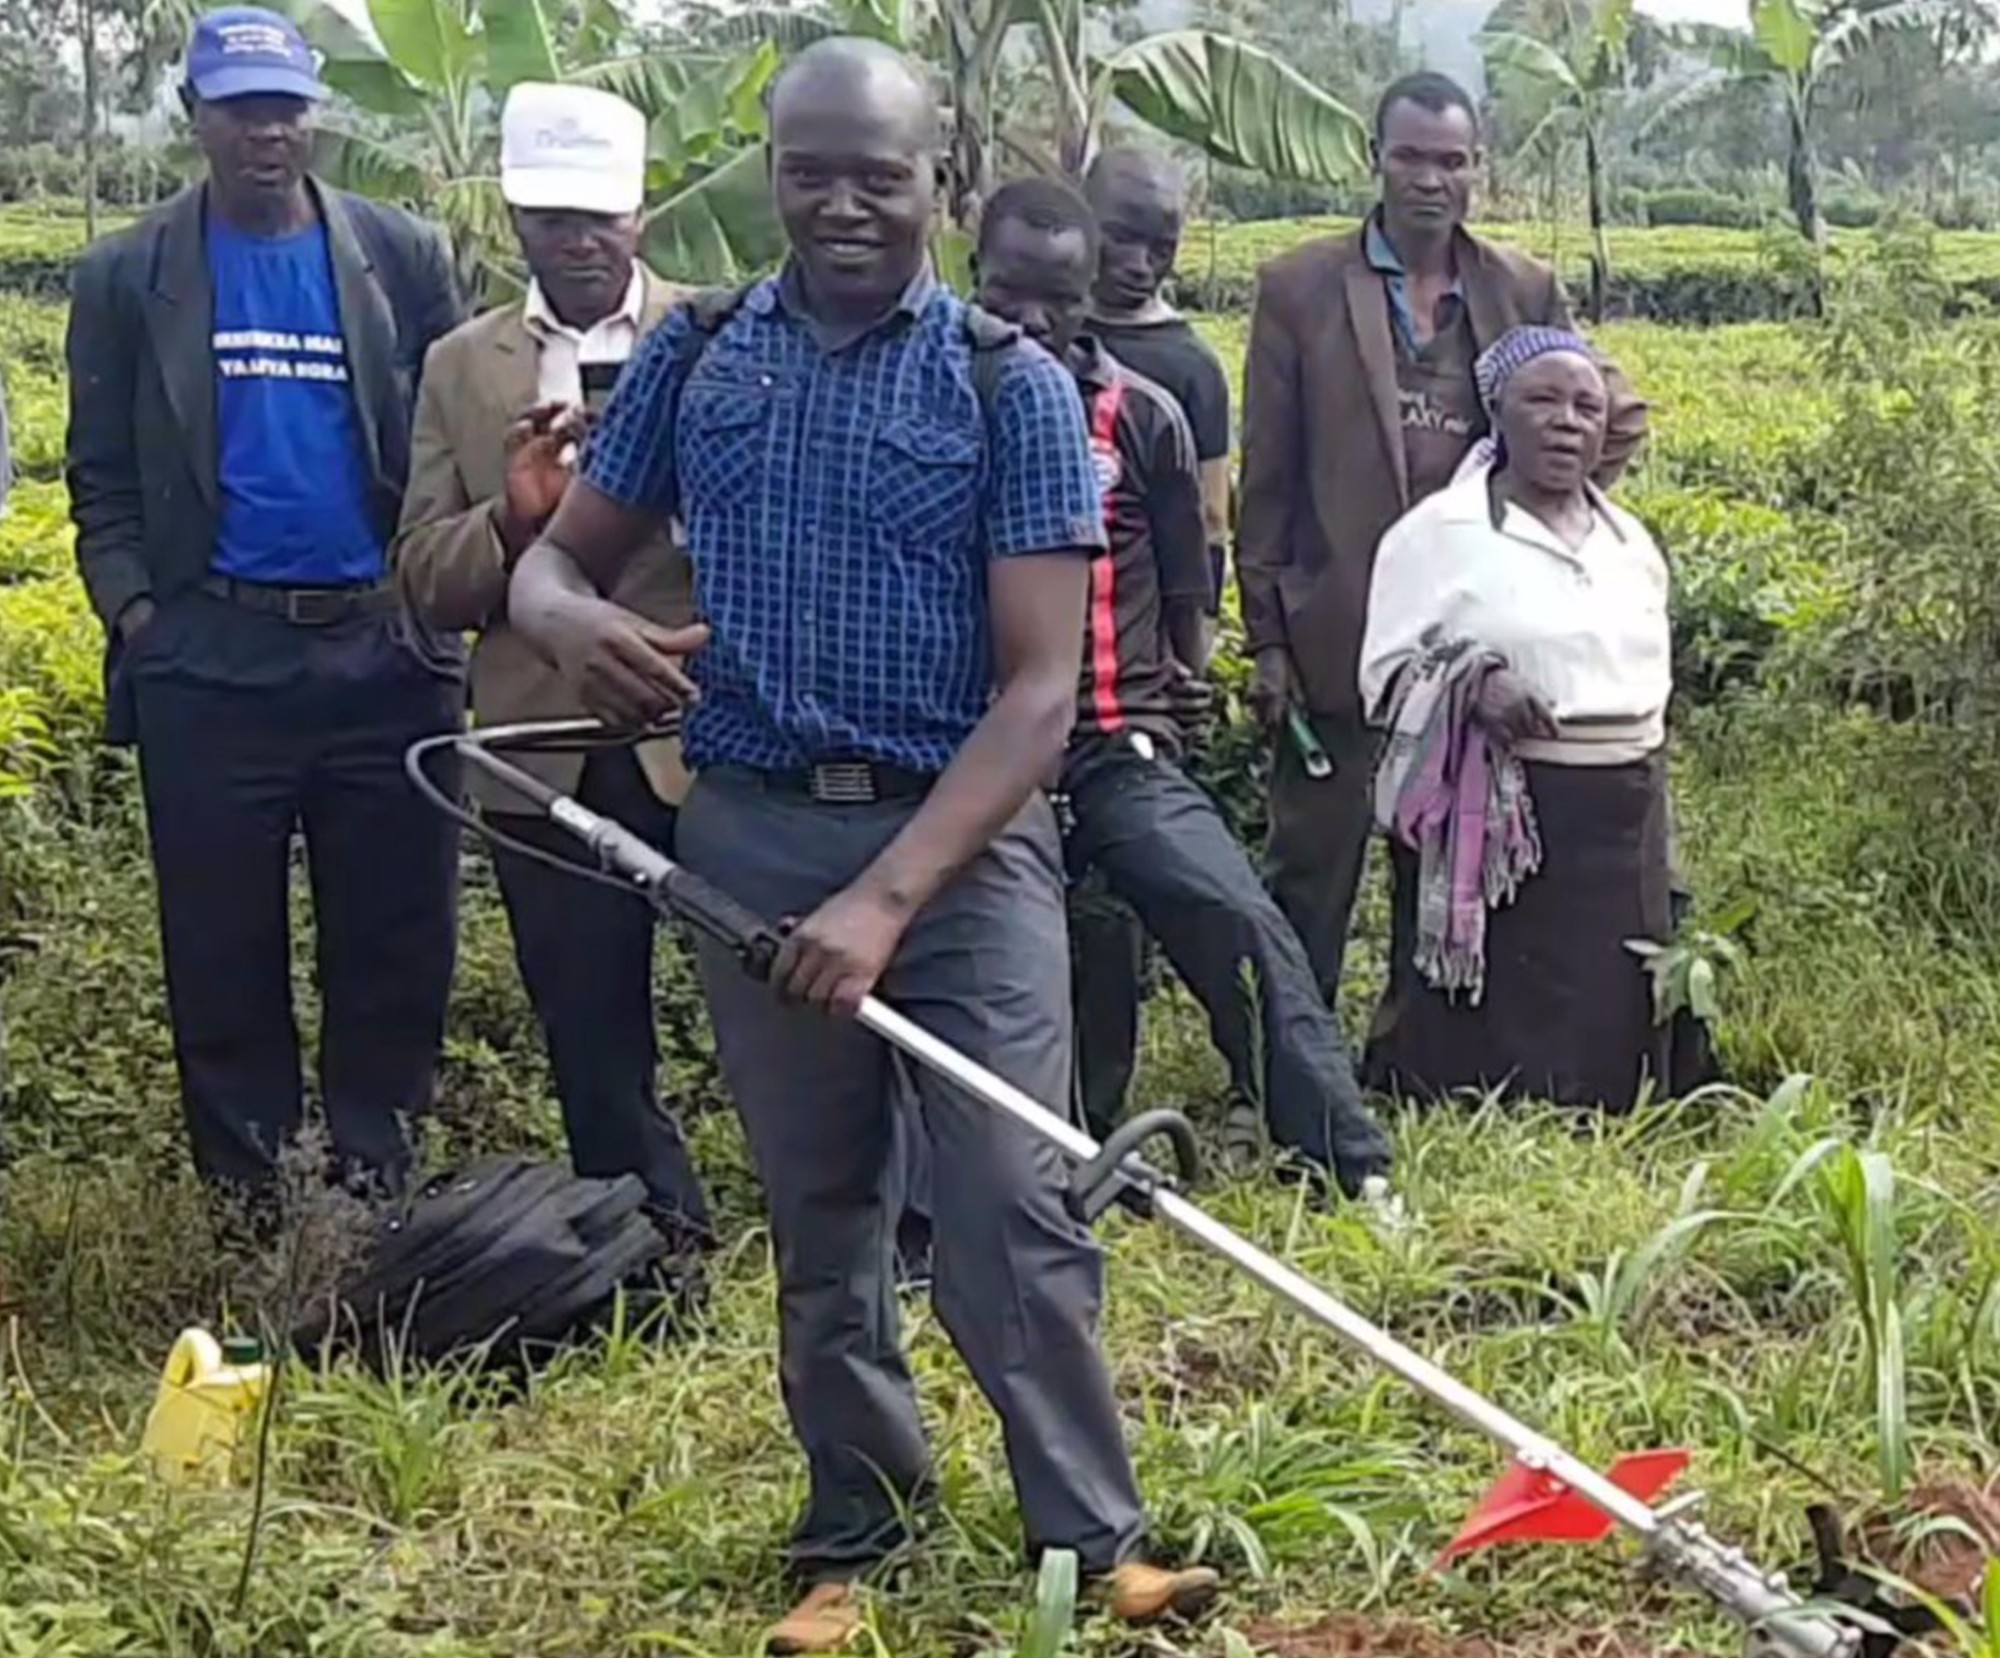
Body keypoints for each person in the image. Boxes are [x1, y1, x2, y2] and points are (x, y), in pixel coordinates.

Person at [505, 38, 1219, 1656]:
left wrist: (890, 898)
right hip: (751, 833)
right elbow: (554, 568)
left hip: (960, 851)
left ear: (937, 187)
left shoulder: (1005, 383)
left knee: (1007, 1194)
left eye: (877, 175)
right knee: (822, 1208)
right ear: (767, 170)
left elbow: (1044, 693)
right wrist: (574, 621)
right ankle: (855, 1536)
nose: (839, 203)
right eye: (808, 169)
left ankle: (1094, 1536)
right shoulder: (696, 361)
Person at [65, 6, 465, 1204]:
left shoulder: (402, 257)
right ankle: (254, 1210)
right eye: (241, 109)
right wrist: (141, 615)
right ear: (197, 118)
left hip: (382, 653)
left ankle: (373, 1189)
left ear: (315, 115)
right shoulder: (128, 273)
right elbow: (103, 477)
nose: (267, 133)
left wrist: (435, 608)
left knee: (394, 944)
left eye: (286, 107)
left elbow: (444, 450)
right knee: (222, 953)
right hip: (212, 658)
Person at [972, 175, 1392, 1195]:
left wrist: (1183, 685)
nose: (1030, 322)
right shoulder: (923, 402)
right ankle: (1030, 1173)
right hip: (965, 762)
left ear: (1089, 298)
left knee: (1234, 916)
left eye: (1056, 301)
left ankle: (1350, 1162)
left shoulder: (1143, 416)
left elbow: (1184, 567)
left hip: (1114, 740)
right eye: (1006, 294)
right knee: (1019, 973)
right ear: (970, 276)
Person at [1236, 71, 1648, 1013]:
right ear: (1374, 160)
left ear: (1477, 171)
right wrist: (1265, 640)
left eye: (1452, 162)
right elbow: (1266, 478)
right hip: (1337, 625)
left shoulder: (1521, 286)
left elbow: (1607, 412)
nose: (1432, 180)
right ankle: (1284, 1073)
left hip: (1473, 638)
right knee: (1313, 871)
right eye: (1412, 157)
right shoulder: (1300, 287)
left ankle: (1418, 1056)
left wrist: (1547, 512)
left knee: (1451, 849)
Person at [393, 82, 712, 1247]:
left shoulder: (720, 334)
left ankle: (845, 1217)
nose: (576, 240)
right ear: (515, 216)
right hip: (541, 748)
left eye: (598, 216)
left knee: (780, 994)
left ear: (640, 214)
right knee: (586, 1018)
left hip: (705, 728)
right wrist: (519, 527)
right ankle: (651, 1240)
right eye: (548, 217)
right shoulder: (459, 366)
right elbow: (424, 576)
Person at [1359, 327, 1686, 1109]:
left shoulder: (1629, 542)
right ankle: (1473, 1109)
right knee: (1499, 1014)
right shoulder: (1439, 535)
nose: (1567, 421)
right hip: (1503, 807)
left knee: (1614, 994)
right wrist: (1476, 686)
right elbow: (1382, 677)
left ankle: (1616, 1107)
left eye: (1586, 406)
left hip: (1620, 805)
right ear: (1497, 412)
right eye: (1542, 400)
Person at [1083, 147, 1233, 619]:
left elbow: (1210, 520)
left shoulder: (1192, 367)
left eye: (1160, 249)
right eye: (1121, 238)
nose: (1140, 264)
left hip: (1135, 639)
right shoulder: (1030, 334)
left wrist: (1196, 640)